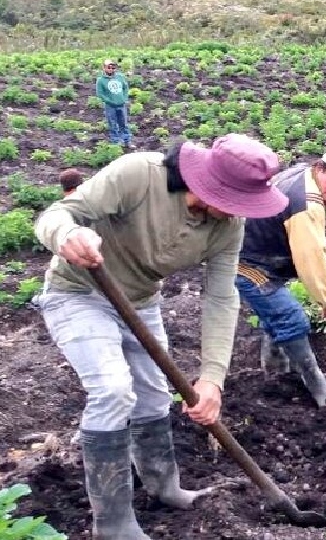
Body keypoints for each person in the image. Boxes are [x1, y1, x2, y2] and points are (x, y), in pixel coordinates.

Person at [34, 134, 286, 540]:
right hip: (79, 293)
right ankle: (113, 523)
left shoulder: (228, 225)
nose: (242, 212)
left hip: (140, 302)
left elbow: (221, 297)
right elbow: (58, 213)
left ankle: (163, 487)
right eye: (238, 200)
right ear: (210, 185)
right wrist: (66, 235)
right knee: (114, 390)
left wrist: (212, 379)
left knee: (153, 394)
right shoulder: (139, 174)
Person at [236, 147, 326, 408]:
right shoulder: (306, 205)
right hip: (246, 263)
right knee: (291, 319)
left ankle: (276, 375)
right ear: (320, 168)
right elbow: (312, 259)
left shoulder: (302, 174)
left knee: (276, 315)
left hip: (258, 253)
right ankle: (319, 388)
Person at [96, 59, 132, 148]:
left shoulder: (120, 77)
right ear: (104, 68)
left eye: (113, 67)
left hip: (121, 104)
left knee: (123, 124)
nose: (111, 69)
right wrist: (109, 101)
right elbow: (100, 94)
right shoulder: (100, 80)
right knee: (112, 124)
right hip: (110, 106)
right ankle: (115, 143)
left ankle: (127, 141)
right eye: (109, 67)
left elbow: (125, 88)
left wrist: (124, 98)